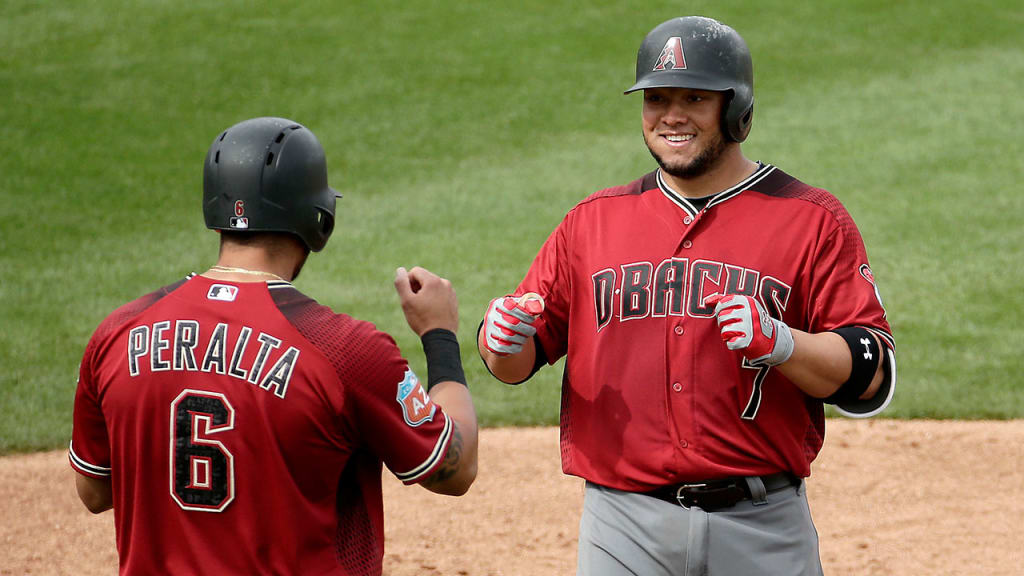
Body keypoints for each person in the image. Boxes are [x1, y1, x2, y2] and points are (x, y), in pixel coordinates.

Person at [478, 16, 895, 576]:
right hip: (621, 528)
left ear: (736, 108)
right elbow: (513, 363)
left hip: (762, 527)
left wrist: (783, 343)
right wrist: (501, 339)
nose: (671, 116)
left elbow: (873, 372)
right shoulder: (591, 223)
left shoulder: (811, 220)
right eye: (656, 98)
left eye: (694, 97)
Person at [70, 117, 478, 575]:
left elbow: (95, 491)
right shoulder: (344, 350)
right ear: (316, 218)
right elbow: (453, 468)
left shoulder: (117, 334)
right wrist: (440, 335)